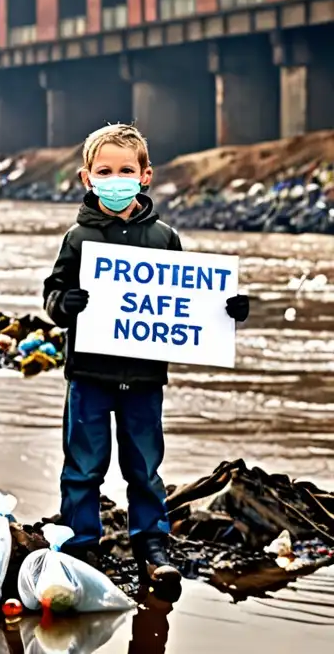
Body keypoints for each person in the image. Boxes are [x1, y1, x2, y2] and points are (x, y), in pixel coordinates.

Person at [42, 123, 251, 587]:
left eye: (125, 170)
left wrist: (229, 309)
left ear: (145, 175)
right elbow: (53, 294)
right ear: (86, 178)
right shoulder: (77, 238)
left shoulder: (165, 238)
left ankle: (152, 543)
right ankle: (79, 543)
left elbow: (189, 301)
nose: (115, 179)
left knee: (144, 466)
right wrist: (64, 304)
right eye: (105, 171)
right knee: (82, 466)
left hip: (144, 378)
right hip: (89, 376)